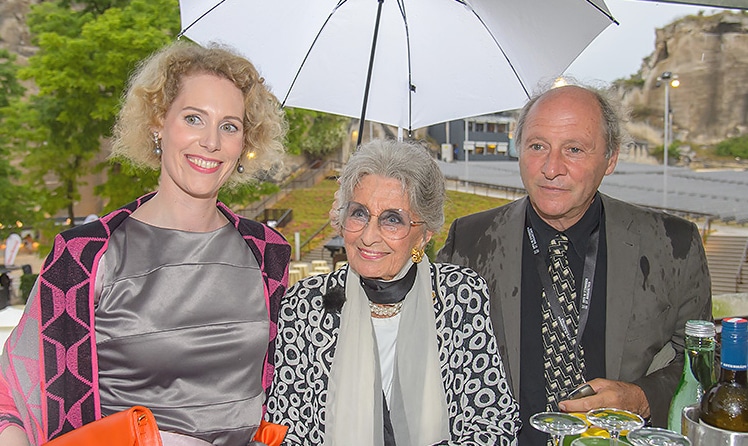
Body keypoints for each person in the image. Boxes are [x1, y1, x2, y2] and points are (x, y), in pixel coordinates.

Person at [0, 41, 291, 446]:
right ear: (158, 123)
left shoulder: (268, 255)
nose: (211, 142)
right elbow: (11, 397)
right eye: (193, 118)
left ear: (245, 141)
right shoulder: (86, 255)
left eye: (229, 125)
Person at [437, 83, 712, 444]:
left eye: (574, 149)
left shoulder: (673, 244)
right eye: (538, 146)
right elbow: (432, 353)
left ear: (610, 159)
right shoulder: (469, 241)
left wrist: (643, 398)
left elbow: (703, 361)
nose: (552, 168)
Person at [266, 139, 520, 445]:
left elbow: (493, 424)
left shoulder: (460, 296)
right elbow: (285, 430)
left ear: (423, 236)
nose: (369, 236)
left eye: (392, 219)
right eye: (359, 213)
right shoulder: (305, 305)